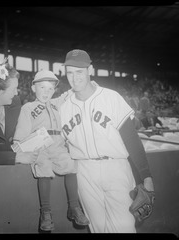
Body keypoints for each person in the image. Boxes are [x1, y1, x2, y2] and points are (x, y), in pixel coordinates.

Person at [59, 49, 155, 233]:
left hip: (116, 167)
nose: (74, 77)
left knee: (125, 227)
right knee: (97, 228)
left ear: (90, 70)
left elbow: (132, 140)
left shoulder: (111, 97)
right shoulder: (64, 107)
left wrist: (146, 177)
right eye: (70, 72)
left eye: (79, 71)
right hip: (84, 171)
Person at [13, 70, 89, 231]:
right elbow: (21, 132)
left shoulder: (56, 103)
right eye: (42, 87)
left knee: (70, 164)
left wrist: (89, 84)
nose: (46, 92)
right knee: (44, 167)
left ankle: (74, 207)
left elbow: (69, 93)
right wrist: (19, 150)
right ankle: (46, 212)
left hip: (57, 144)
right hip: (39, 145)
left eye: (50, 88)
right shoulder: (28, 107)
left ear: (54, 90)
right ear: (34, 88)